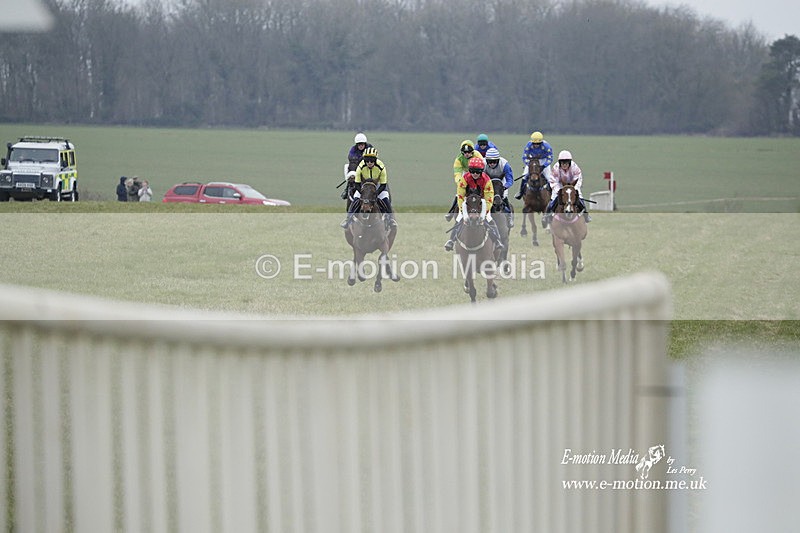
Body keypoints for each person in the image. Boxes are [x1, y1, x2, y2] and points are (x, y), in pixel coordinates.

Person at [444, 157, 505, 252]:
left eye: (477, 172)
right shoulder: (465, 178)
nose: (475, 174)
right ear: (470, 171)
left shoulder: (486, 180)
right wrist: (462, 210)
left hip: (482, 201)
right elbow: (460, 195)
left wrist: (485, 211)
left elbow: (489, 197)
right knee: (459, 218)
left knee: (489, 219)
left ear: (481, 171)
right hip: (467, 201)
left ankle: (497, 241)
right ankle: (451, 240)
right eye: (472, 171)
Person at [341, 147, 396, 228]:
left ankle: (391, 220)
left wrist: (375, 194)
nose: (369, 162)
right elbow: (357, 183)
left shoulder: (381, 167)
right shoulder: (360, 166)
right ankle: (348, 220)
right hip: (364, 188)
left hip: (378, 187)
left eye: (372, 160)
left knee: (385, 200)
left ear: (375, 160)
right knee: (355, 199)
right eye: (367, 160)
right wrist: (363, 193)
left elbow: (383, 184)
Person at [543, 149, 591, 225]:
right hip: (560, 186)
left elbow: (579, 179)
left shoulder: (575, 167)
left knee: (580, 199)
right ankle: (547, 215)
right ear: (559, 162)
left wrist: (574, 189)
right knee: (553, 200)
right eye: (562, 162)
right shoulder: (555, 168)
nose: (564, 164)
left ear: (569, 162)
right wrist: (559, 191)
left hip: (573, 186)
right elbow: (553, 181)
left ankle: (586, 215)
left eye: (566, 162)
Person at [446, 140, 483, 221]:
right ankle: (451, 211)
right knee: (459, 193)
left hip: (477, 172)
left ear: (472, 151)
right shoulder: (458, 159)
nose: (467, 154)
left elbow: (482, 168)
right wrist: (460, 183)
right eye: (465, 152)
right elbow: (457, 173)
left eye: (469, 152)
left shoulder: (477, 155)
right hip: (466, 173)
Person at [515, 131, 554, 199]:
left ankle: (552, 195)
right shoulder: (528, 145)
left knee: (549, 177)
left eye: (538, 144)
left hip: (543, 161)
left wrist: (544, 166)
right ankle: (521, 192)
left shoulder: (547, 146)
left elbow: (550, 158)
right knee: (524, 176)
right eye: (534, 143)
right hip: (532, 161)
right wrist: (530, 165)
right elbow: (524, 157)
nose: (536, 145)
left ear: (541, 142)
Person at [483, 147, 515, 228]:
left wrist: (505, 187)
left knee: (504, 197)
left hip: (501, 182)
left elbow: (510, 180)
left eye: (494, 161)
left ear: (498, 160)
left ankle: (509, 215)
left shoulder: (505, 164)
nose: (492, 164)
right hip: (488, 182)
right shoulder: (482, 164)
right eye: (489, 161)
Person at [342, 132, 372, 200]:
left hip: (367, 166)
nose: (360, 146)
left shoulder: (370, 147)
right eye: (359, 144)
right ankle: (347, 189)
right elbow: (350, 157)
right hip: (357, 166)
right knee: (349, 168)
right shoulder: (353, 149)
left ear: (365, 144)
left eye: (362, 144)